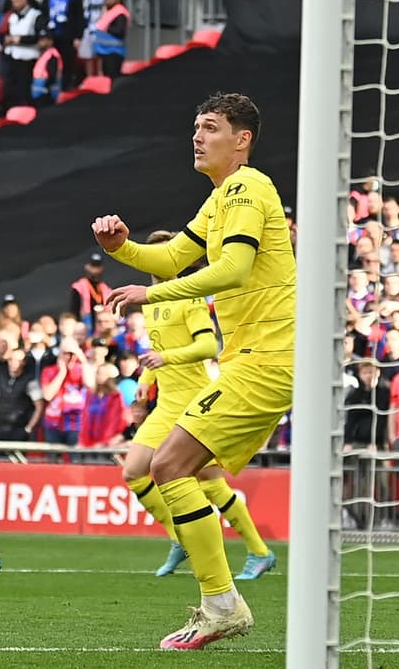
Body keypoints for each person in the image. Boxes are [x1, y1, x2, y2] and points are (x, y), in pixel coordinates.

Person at [95, 92, 295, 650]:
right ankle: (224, 598)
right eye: (196, 127)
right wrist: (124, 248)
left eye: (210, 127)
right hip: (250, 360)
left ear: (242, 140)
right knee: (168, 466)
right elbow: (170, 257)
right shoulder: (220, 199)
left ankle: (223, 604)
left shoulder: (249, 187)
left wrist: (145, 294)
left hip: (269, 359)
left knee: (169, 464)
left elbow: (231, 270)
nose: (198, 136)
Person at [121, 230, 275, 581]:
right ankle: (181, 538)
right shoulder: (152, 303)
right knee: (133, 472)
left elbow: (209, 347)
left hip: (194, 400)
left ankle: (259, 551)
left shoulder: (188, 300)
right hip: (166, 404)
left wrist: (166, 357)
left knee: (211, 484)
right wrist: (142, 391)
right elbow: (153, 358)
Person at [70, 252, 112, 332]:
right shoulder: (78, 287)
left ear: (101, 268)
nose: (95, 270)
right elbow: (74, 310)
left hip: (103, 326)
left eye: (97, 267)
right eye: (93, 266)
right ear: (87, 267)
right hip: (86, 325)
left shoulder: (105, 288)